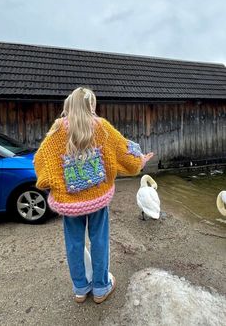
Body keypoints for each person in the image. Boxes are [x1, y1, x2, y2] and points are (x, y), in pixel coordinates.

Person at [34, 87, 154, 304]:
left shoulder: (56, 131)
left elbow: (40, 161)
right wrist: (140, 161)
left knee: (73, 243)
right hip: (97, 200)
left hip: (69, 202)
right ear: (92, 106)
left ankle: (80, 289)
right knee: (99, 240)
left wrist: (50, 183)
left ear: (69, 105)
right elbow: (125, 151)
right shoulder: (102, 128)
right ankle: (100, 288)